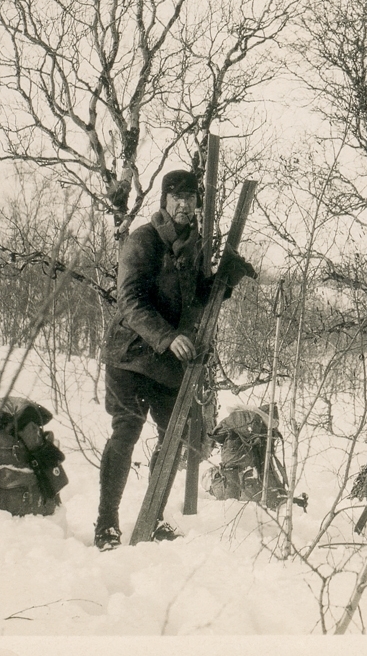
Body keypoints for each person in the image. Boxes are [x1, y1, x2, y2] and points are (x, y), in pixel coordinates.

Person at [94, 169, 256, 550]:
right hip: (131, 356)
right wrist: (167, 338)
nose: (184, 204)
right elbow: (130, 302)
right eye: (176, 197)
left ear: (197, 202)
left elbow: (196, 300)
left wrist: (225, 281)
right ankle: (106, 524)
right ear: (164, 202)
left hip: (167, 363)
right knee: (126, 432)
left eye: (190, 197)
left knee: (174, 439)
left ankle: (152, 517)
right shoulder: (142, 241)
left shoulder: (194, 246)